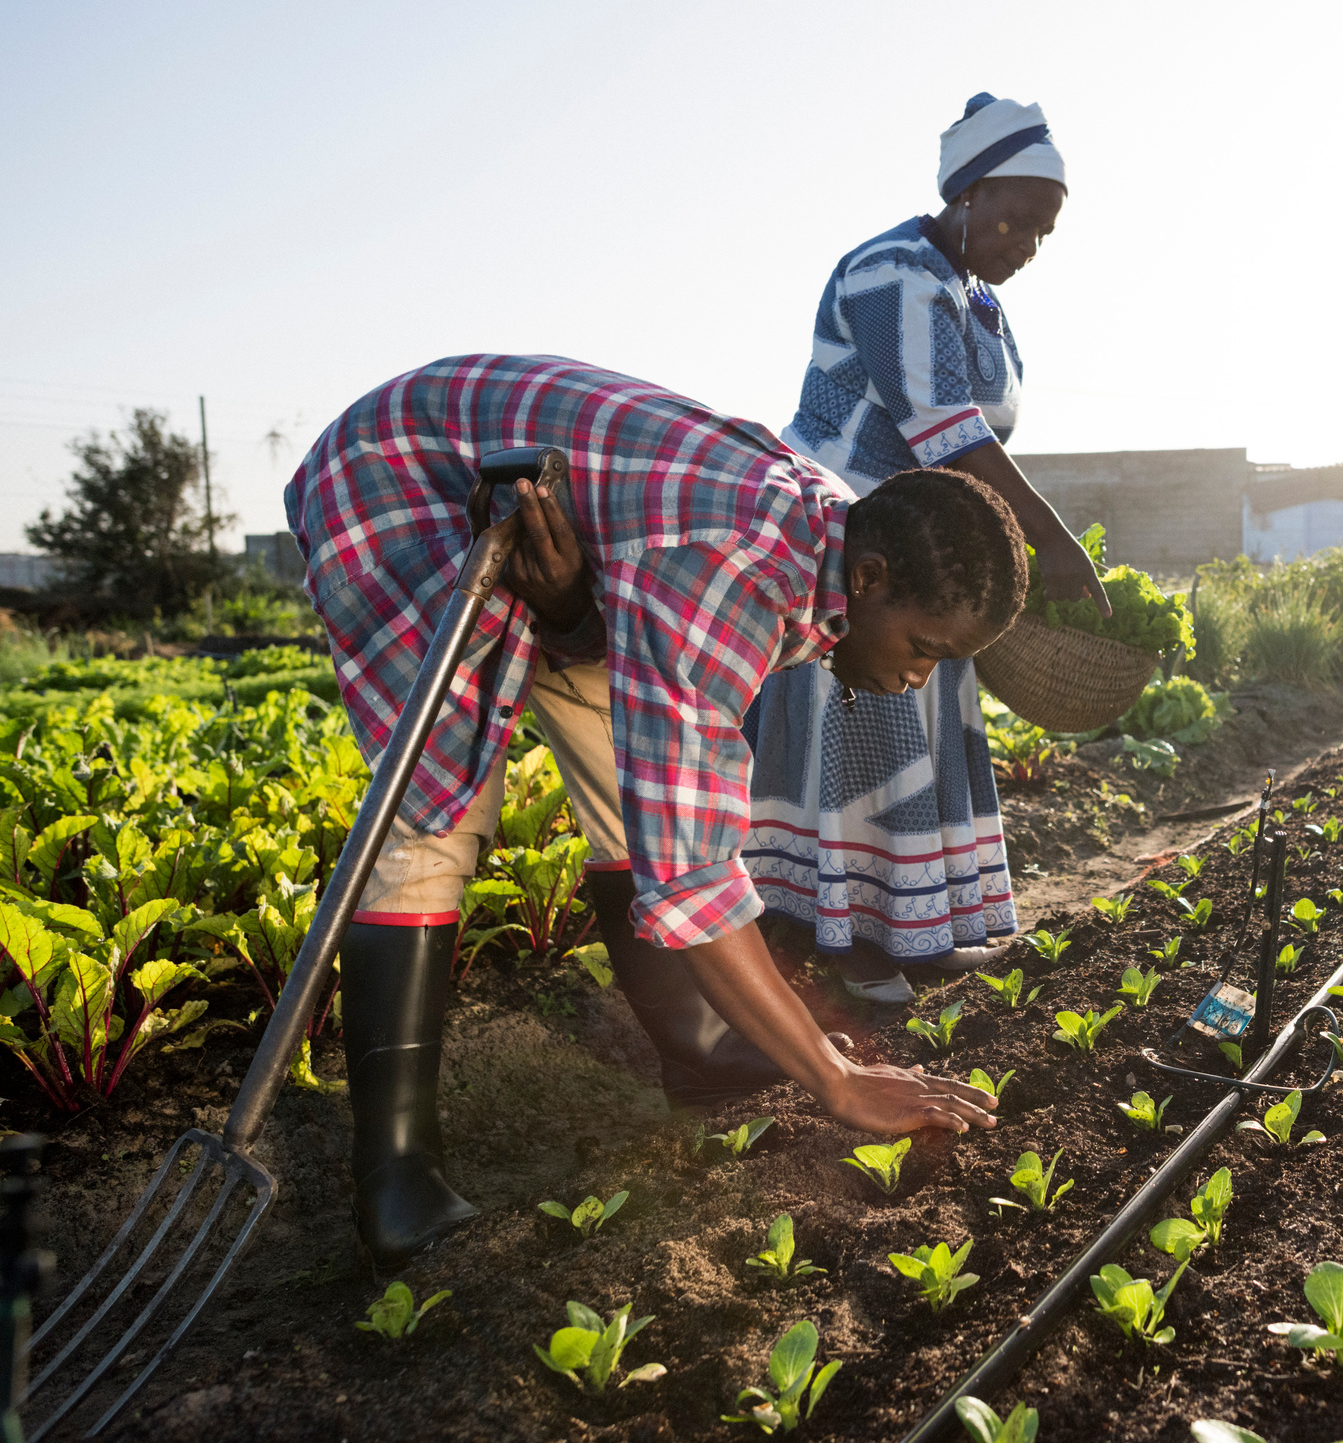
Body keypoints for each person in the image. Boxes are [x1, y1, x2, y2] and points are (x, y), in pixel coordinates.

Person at [285, 353, 1015, 1268]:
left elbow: (665, 778)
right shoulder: (731, 568)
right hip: (399, 477)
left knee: (628, 779)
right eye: (923, 648)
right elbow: (698, 869)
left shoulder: (836, 539)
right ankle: (394, 1176)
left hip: (584, 540)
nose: (918, 678)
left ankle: (701, 1048)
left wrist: (564, 605)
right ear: (866, 580)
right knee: (435, 807)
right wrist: (835, 1079)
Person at [746, 93, 1106, 1004]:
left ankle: (915, 927)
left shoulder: (972, 297)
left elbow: (972, 438)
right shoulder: (892, 272)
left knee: (919, 723)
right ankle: (845, 938)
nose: (1024, 241)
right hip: (850, 536)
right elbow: (944, 427)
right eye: (1015, 218)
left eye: (1042, 232)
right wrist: (1049, 539)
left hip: (928, 544)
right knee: (860, 723)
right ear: (968, 193)